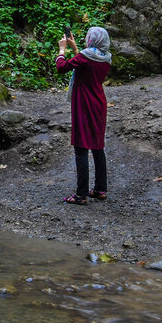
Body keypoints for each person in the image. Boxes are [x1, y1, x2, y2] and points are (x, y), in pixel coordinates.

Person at [56, 26, 112, 205]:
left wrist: (62, 49)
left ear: (91, 39)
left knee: (81, 148)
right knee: (97, 146)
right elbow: (86, 64)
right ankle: (100, 189)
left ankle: (81, 195)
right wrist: (74, 49)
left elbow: (62, 67)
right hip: (99, 103)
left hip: (83, 103)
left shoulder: (86, 57)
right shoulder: (106, 58)